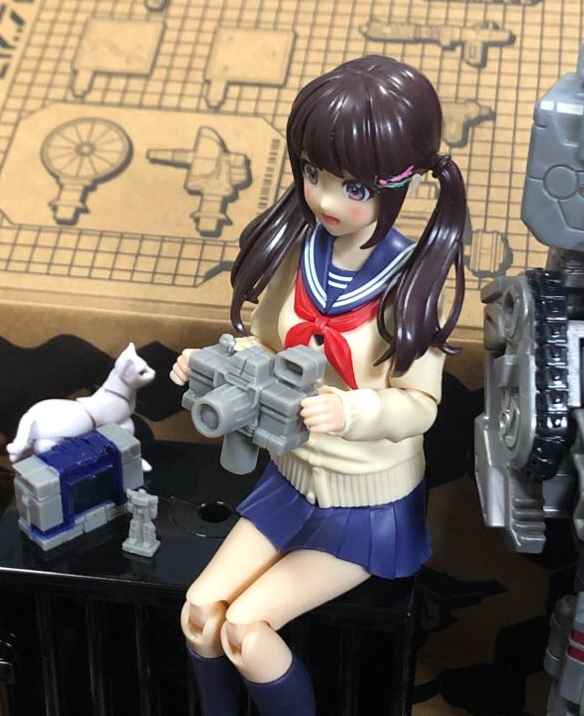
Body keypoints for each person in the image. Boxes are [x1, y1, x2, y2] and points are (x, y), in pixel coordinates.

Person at [170, 55, 467, 715]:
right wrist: (215, 360)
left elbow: (420, 405)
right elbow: (266, 343)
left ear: (397, 184)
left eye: (352, 187)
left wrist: (351, 410)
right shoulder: (298, 253)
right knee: (199, 614)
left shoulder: (412, 284)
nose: (327, 200)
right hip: (290, 480)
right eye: (313, 174)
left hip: (366, 505)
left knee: (246, 630)